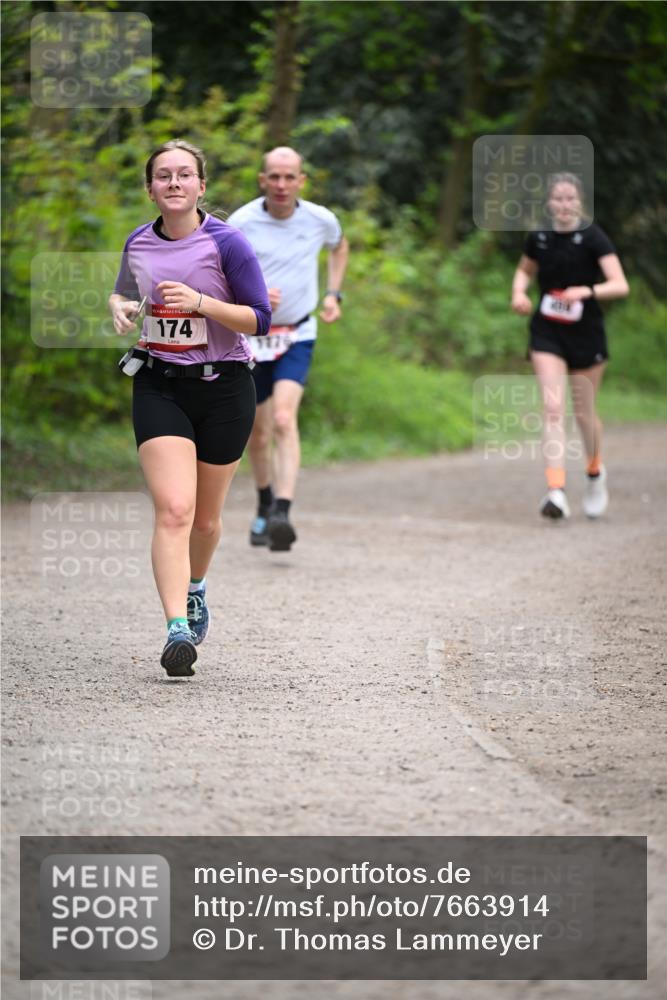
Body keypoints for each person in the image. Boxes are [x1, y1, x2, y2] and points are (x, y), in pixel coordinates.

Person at [109, 139, 271, 677]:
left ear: (201, 186)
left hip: (225, 387)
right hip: (159, 384)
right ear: (150, 188)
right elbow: (125, 290)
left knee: (205, 521)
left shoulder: (228, 243)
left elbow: (259, 319)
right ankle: (177, 628)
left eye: (184, 175)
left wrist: (201, 303)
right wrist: (121, 306)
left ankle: (197, 587)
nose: (173, 183)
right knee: (174, 510)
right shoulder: (138, 241)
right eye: (163, 176)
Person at [227, 146, 349, 551]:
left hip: (297, 333)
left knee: (283, 418)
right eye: (274, 177)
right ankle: (263, 504)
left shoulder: (319, 219)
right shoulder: (241, 222)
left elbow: (340, 245)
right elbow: (217, 275)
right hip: (251, 338)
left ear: (301, 181)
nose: (281, 185)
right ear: (262, 180)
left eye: (289, 177)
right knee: (258, 436)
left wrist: (334, 294)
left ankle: (282, 510)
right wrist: (252, 296)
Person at [511, 172, 629, 520]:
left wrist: (587, 291)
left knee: (583, 413)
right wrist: (518, 292)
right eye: (558, 199)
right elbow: (524, 271)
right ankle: (556, 490)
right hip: (547, 331)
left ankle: (595, 474)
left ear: (580, 202)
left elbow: (620, 284)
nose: (564, 205)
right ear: (549, 202)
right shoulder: (540, 236)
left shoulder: (593, 237)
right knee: (552, 408)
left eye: (570, 199)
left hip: (586, 333)